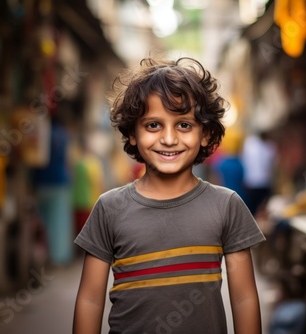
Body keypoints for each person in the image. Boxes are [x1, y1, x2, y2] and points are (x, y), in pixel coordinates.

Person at [73, 56, 265, 334]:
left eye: (184, 125)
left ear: (206, 135)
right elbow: (90, 300)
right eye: (153, 125)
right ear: (132, 134)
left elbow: (244, 298)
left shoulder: (227, 206)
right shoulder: (109, 208)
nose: (169, 138)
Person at [241, 131, 277, 216]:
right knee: (260, 209)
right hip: (262, 182)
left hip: (253, 182)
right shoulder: (270, 146)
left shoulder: (250, 143)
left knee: (253, 210)